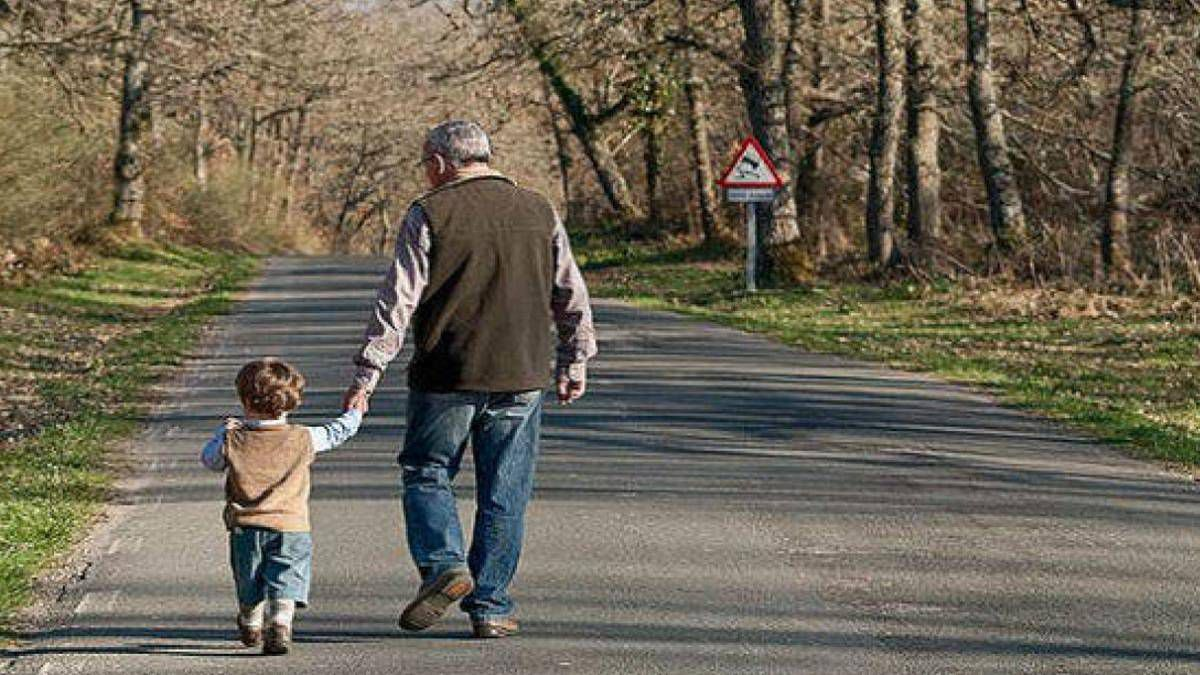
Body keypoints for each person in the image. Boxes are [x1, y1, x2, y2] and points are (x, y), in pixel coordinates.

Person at [342, 120, 597, 639]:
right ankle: (491, 606)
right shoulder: (539, 209)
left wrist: (368, 374)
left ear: (440, 162)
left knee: (427, 471)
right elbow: (570, 291)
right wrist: (575, 361)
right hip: (522, 374)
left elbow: (398, 300)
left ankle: (443, 566)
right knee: (505, 492)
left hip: (447, 374)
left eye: (425, 164)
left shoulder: (428, 212)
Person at [201, 357, 362, 655]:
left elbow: (209, 460)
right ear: (290, 403)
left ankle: (250, 622)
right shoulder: (304, 437)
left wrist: (221, 433)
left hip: (245, 528)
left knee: (248, 580)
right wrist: (354, 412)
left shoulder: (234, 439)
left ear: (245, 399)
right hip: (291, 526)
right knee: (287, 577)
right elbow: (338, 432)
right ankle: (280, 622)